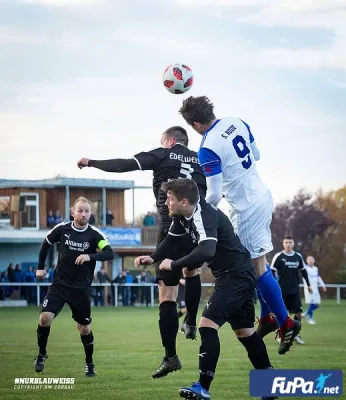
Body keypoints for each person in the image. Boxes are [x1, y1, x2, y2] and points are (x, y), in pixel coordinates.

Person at [135, 179, 276, 400]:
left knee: (207, 324)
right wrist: (152, 257)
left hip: (237, 275)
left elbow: (207, 251)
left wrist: (174, 264)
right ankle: (269, 385)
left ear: (184, 201)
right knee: (245, 332)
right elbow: (170, 241)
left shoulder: (204, 215)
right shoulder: (182, 217)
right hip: (232, 275)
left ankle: (203, 386)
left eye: (170, 199)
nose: (166, 203)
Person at [178, 96, 299, 355]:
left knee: (251, 268)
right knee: (259, 264)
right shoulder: (236, 121)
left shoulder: (207, 147)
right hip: (262, 195)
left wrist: (197, 212)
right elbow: (256, 155)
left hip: (245, 208)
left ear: (196, 124)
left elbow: (212, 193)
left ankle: (286, 322)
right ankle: (268, 318)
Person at [77, 127, 206, 353]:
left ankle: (170, 355)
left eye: (162, 141)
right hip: (196, 226)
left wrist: (92, 162)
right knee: (191, 271)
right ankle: (192, 321)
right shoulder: (199, 159)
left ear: (170, 140)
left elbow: (124, 164)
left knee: (167, 294)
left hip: (169, 227)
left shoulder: (162, 154)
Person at [34, 197, 114, 377]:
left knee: (84, 328)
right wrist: (40, 267)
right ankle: (41, 354)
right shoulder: (62, 229)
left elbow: (109, 253)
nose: (84, 214)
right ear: (73, 212)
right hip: (59, 285)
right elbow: (45, 244)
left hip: (81, 290)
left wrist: (90, 257)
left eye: (87, 211)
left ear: (90, 213)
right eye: (80, 211)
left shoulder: (95, 234)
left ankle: (89, 363)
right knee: (44, 318)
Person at [271, 236, 312, 345]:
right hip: (282, 290)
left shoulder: (298, 257)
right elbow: (271, 271)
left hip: (294, 290)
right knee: (282, 313)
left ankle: (296, 334)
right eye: (286, 242)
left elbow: (303, 271)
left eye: (290, 242)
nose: (288, 244)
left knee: (298, 313)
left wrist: (308, 285)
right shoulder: (279, 256)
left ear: (293, 243)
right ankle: (281, 333)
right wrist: (271, 286)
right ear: (283, 244)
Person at [302, 255, 326, 324]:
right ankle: (311, 319)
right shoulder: (305, 268)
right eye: (309, 259)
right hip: (309, 289)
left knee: (317, 304)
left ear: (314, 261)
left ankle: (305, 314)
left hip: (315, 289)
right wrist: (308, 286)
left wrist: (323, 285)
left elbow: (318, 277)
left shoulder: (315, 268)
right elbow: (304, 278)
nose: (310, 261)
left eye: (312, 259)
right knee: (312, 304)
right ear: (307, 261)